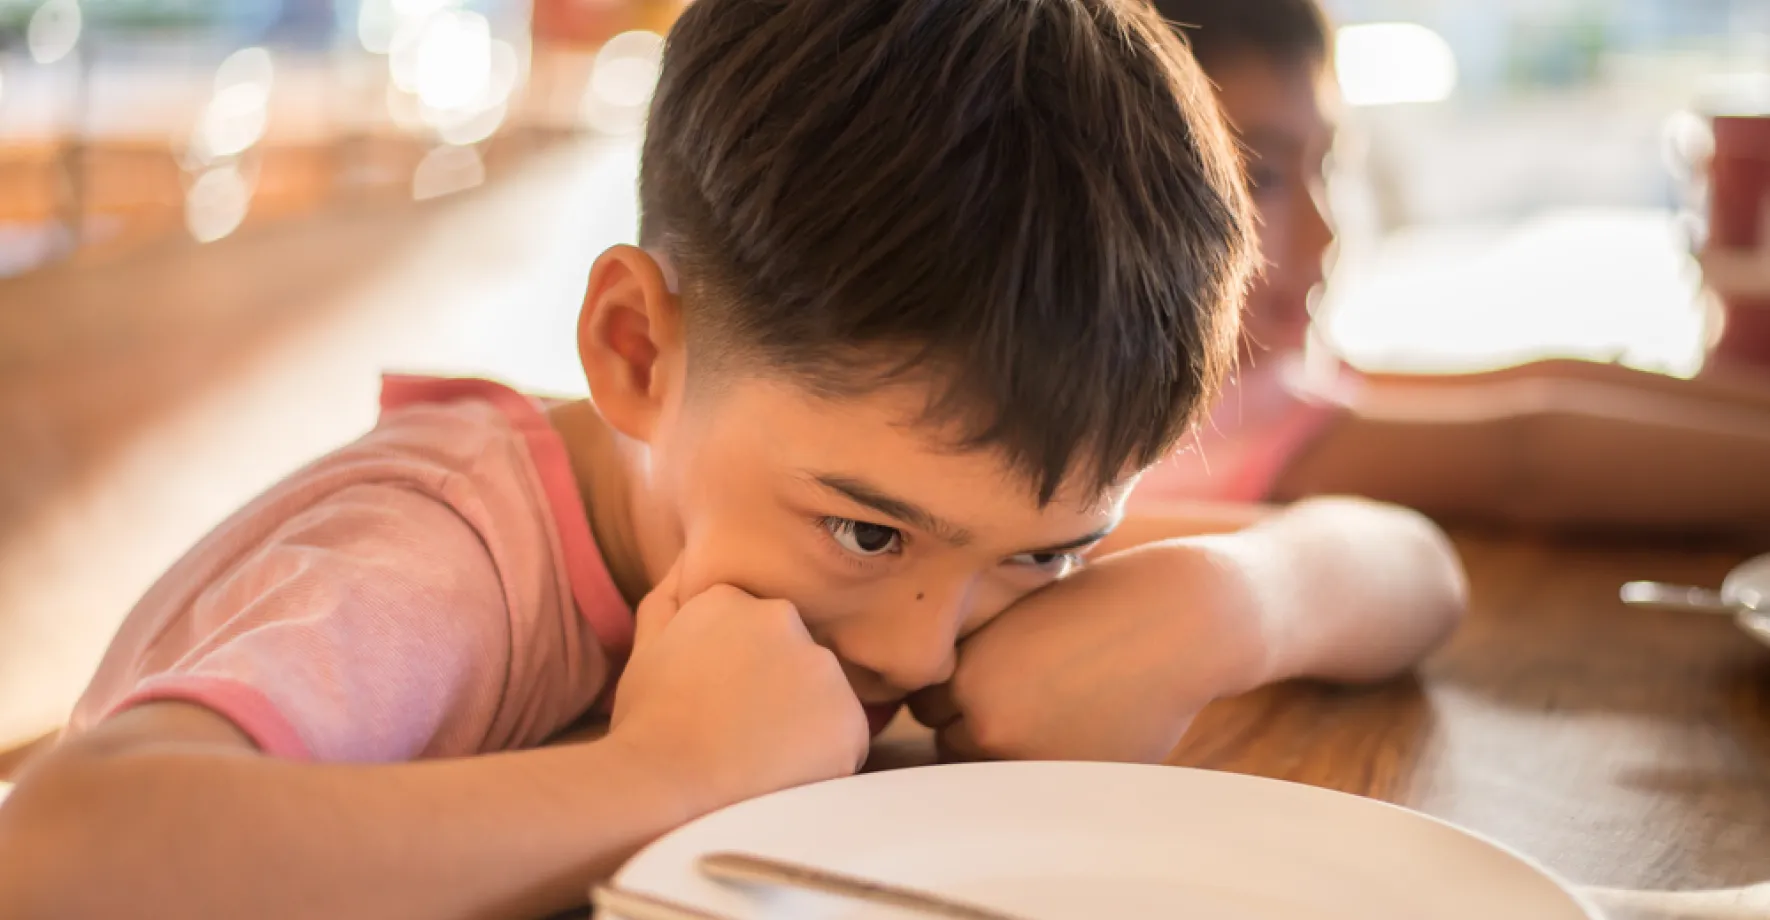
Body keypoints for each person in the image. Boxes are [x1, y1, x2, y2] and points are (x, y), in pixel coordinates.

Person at [0, 2, 1466, 917]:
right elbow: (62, 859)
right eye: (869, 537)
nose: (917, 643)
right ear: (637, 351)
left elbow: (1412, 566)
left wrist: (1228, 606)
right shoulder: (440, 561)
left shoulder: (924, 521)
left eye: (1047, 549)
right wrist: (667, 774)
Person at [1139, 0, 1770, 538]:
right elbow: (1524, 458)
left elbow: (1541, 378)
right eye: (1262, 177)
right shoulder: (1175, 442)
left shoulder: (1253, 382)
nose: (1325, 228)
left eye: (1325, 166)